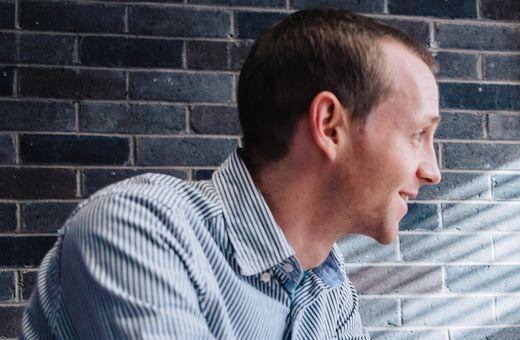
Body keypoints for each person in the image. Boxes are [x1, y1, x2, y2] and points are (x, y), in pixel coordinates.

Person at [22, 9, 441, 339]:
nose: (432, 171)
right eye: (418, 134)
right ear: (330, 126)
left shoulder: (331, 293)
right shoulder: (138, 229)